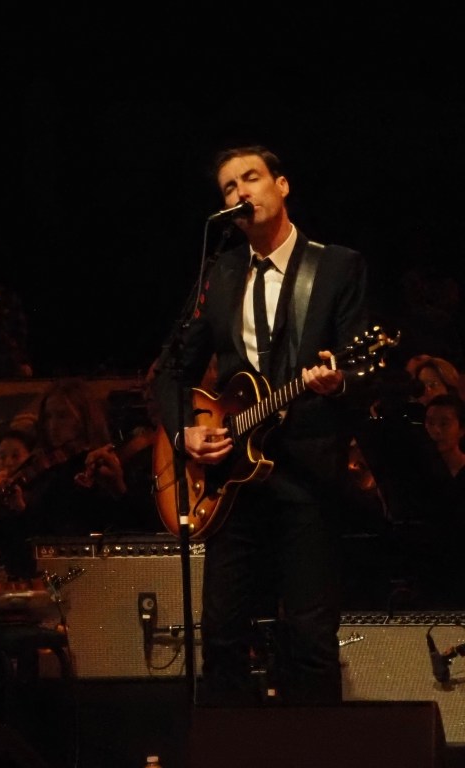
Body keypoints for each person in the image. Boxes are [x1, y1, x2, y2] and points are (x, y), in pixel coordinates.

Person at [151, 145, 369, 706]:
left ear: (283, 185)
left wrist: (337, 380)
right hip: (232, 483)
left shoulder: (336, 266)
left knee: (310, 640)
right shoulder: (219, 273)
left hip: (307, 478)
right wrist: (186, 433)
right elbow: (171, 370)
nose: (241, 192)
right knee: (221, 636)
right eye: (228, 187)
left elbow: (360, 368)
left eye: (251, 178)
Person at [0, 378, 131, 577]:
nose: (52, 425)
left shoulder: (95, 465)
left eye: (62, 416)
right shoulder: (41, 465)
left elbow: (70, 525)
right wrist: (12, 510)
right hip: (39, 572)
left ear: (84, 419)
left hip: (85, 571)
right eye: (47, 417)